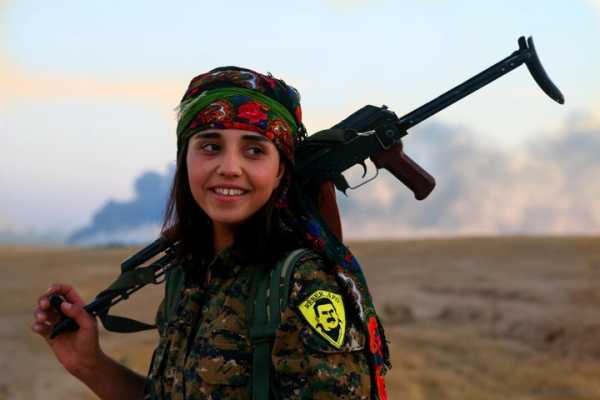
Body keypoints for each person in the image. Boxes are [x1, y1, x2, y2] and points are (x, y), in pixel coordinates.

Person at [32, 66, 390, 399]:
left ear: (280, 171)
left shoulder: (302, 283)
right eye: (210, 146)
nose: (229, 167)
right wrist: (89, 364)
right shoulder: (187, 275)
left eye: (254, 150)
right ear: (184, 159)